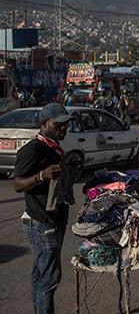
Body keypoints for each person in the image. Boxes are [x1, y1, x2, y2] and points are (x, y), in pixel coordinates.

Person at [14, 103, 74, 314]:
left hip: (53, 217)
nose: (64, 129)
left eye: (66, 125)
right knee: (49, 279)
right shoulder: (32, 149)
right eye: (59, 125)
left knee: (42, 276)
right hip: (41, 221)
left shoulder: (53, 147)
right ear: (44, 124)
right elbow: (18, 184)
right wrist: (41, 176)